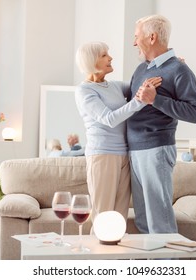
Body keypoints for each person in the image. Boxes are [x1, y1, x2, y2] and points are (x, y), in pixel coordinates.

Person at [126, 15, 196, 234]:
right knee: (143, 222)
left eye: (136, 36)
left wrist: (155, 99)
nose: (133, 43)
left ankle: (170, 268)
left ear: (152, 37)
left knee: (160, 224)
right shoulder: (141, 70)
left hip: (156, 150)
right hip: (135, 150)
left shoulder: (180, 70)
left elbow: (195, 112)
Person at [74, 41, 162, 227]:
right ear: (92, 60)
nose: (110, 57)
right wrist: (139, 100)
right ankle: (97, 256)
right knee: (103, 215)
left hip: (124, 155)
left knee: (119, 217)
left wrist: (170, 65)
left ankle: (117, 255)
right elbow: (110, 118)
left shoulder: (113, 86)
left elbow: (140, 84)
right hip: (102, 155)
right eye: (104, 55)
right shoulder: (84, 90)